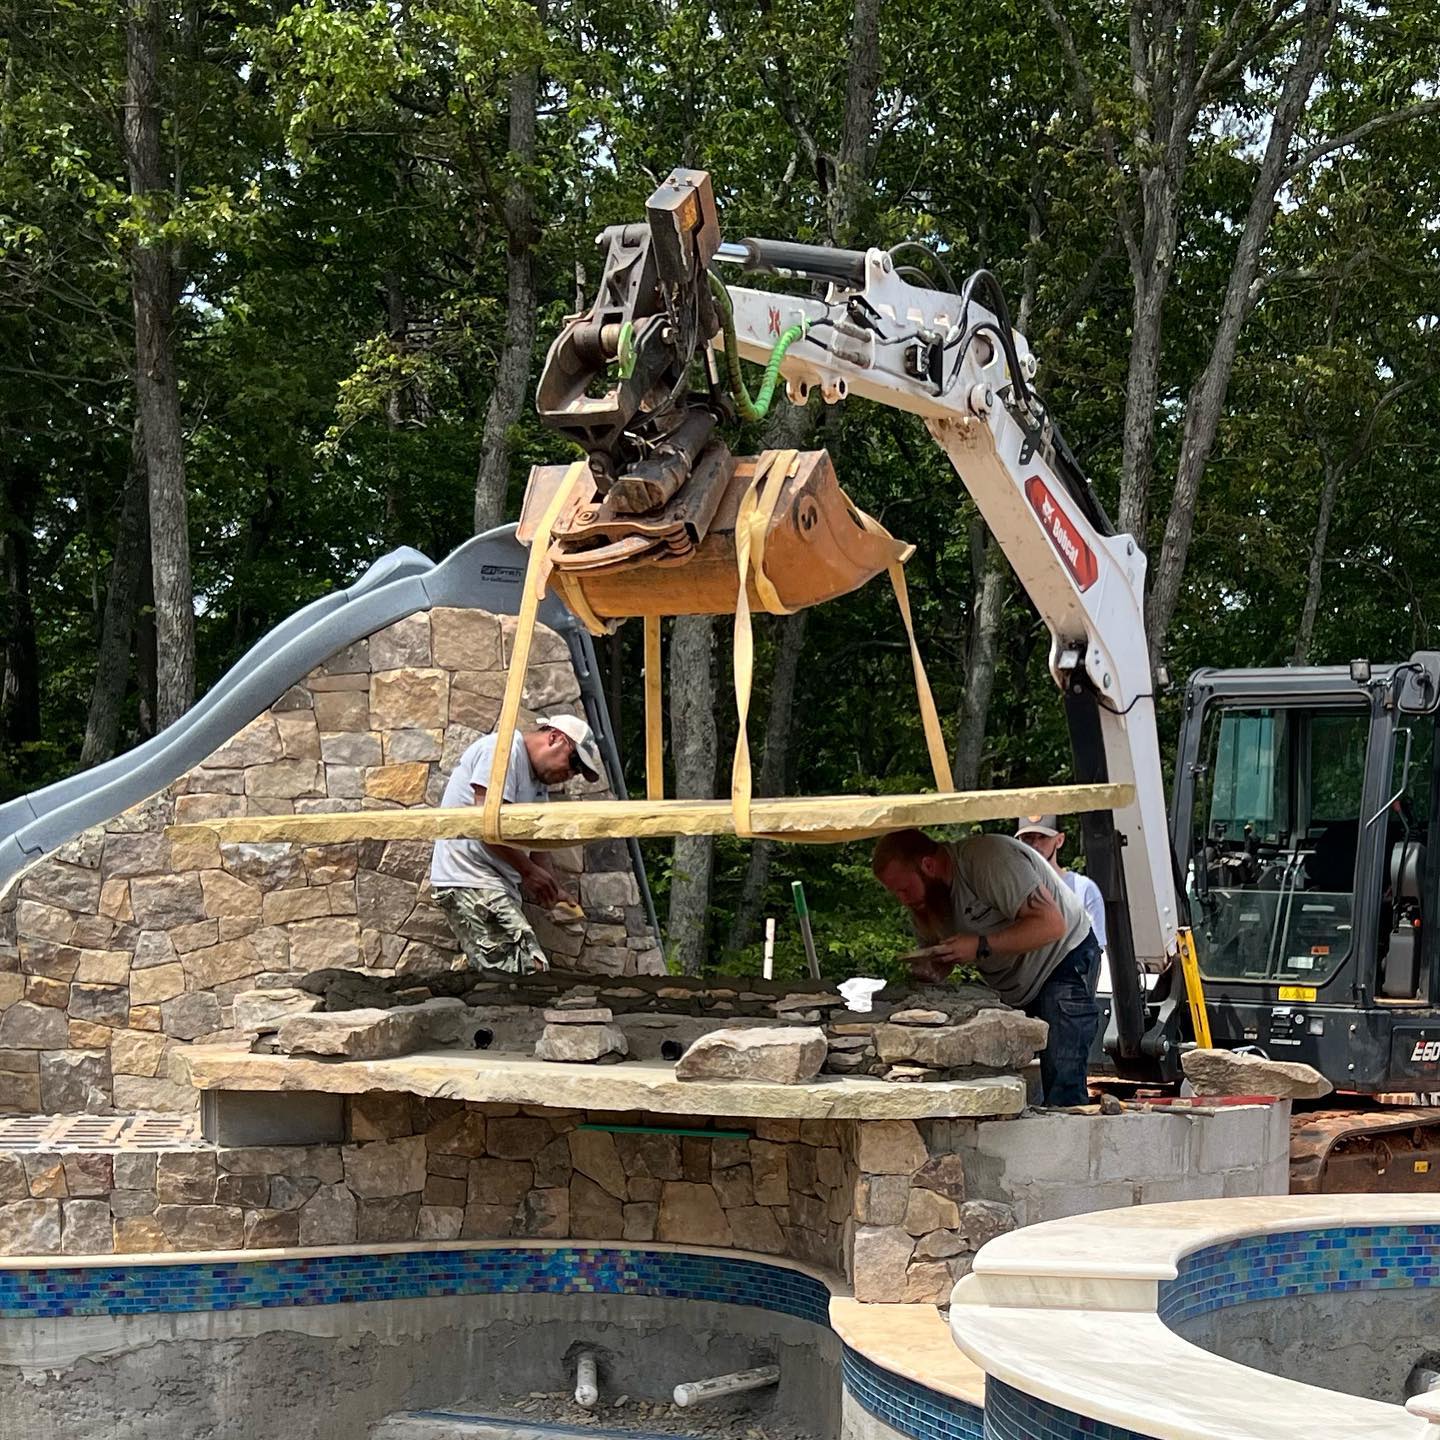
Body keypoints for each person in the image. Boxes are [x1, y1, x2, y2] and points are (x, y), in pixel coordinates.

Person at [872, 827, 1101, 1106]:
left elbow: (1051, 925)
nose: (903, 900)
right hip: (1013, 985)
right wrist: (934, 969)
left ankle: (1069, 1141)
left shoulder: (989, 860)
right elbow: (942, 959)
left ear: (928, 865)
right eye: (896, 893)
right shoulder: (928, 901)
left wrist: (979, 945)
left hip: (1063, 958)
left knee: (1063, 1084)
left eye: (905, 889)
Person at [430, 716, 603, 974]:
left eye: (577, 771)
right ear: (555, 737)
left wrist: (552, 887)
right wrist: (529, 873)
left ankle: (469, 979)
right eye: (574, 762)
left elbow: (536, 844)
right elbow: (485, 825)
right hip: (469, 878)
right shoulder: (501, 751)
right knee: (526, 967)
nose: (570, 774)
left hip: (491, 885)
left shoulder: (539, 785)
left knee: (502, 969)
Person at [1014, 815, 1107, 958]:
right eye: (1028, 838)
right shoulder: (1013, 890)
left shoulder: (1083, 889)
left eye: (1042, 837)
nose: (1035, 844)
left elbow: (1096, 952)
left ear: (1059, 840)